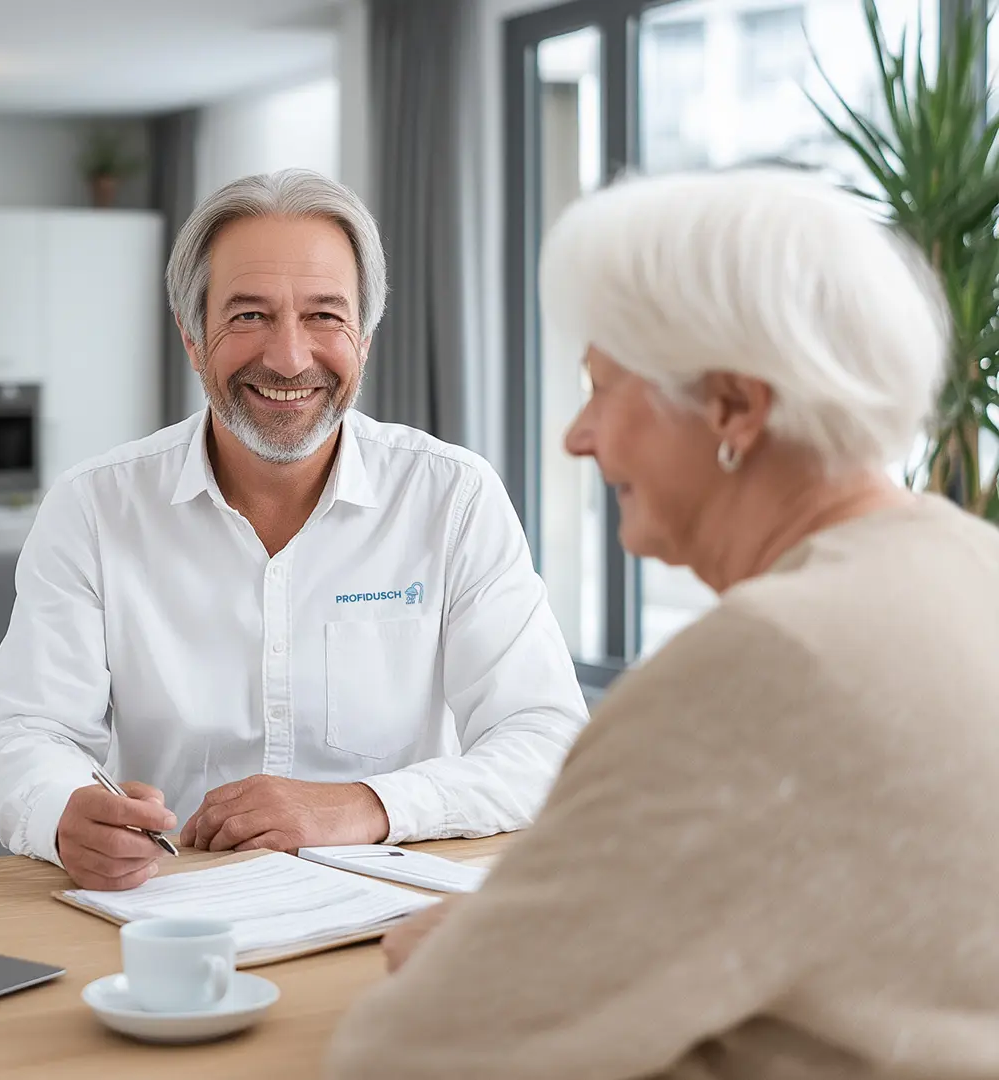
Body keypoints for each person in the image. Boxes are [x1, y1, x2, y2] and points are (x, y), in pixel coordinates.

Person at [326, 168, 999, 1078]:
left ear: (731, 407)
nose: (577, 436)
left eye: (603, 387)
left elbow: (406, 1057)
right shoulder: (971, 565)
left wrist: (472, 957)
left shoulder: (768, 664)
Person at [0, 168, 589, 890]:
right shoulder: (94, 507)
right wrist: (62, 813)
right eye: (249, 315)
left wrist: (365, 806)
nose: (290, 359)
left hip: (392, 909)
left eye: (325, 315)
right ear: (193, 335)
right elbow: (24, 734)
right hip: (169, 915)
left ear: (366, 332)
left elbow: (547, 742)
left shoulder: (452, 496)